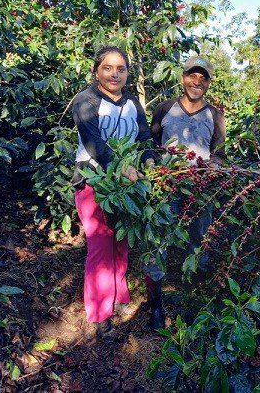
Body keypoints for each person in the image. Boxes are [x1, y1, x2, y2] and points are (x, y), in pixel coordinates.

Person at [72, 45, 155, 337]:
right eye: (107, 68)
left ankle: (119, 298)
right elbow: (94, 142)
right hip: (95, 182)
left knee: (121, 243)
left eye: (121, 68)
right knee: (101, 247)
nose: (114, 74)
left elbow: (144, 136)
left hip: (127, 186)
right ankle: (99, 315)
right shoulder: (86, 101)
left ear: (128, 73)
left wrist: (149, 160)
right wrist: (120, 166)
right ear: (97, 70)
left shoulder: (132, 103)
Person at [149, 55, 226, 329]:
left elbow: (219, 152)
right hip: (167, 186)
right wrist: (154, 168)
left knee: (200, 240)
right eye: (192, 76)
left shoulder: (215, 115)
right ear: (183, 78)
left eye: (203, 78)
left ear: (208, 83)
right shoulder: (165, 108)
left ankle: (192, 298)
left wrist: (215, 165)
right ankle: (156, 306)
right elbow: (152, 143)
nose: (197, 81)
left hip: (200, 189)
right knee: (159, 241)